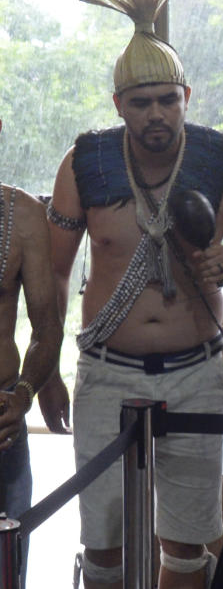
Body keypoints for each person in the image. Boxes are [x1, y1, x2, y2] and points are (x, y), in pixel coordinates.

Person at [38, 0, 223, 589]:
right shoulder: (84, 163)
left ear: (186, 95)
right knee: (104, 544)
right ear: (119, 106)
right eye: (141, 102)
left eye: (168, 98)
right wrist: (46, 375)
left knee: (188, 544)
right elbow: (54, 277)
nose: (157, 113)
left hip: (196, 371)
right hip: (106, 369)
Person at [0, 117, 64, 589]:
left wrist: (22, 395)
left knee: (6, 566)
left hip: (1, 419)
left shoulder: (22, 215)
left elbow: (46, 327)